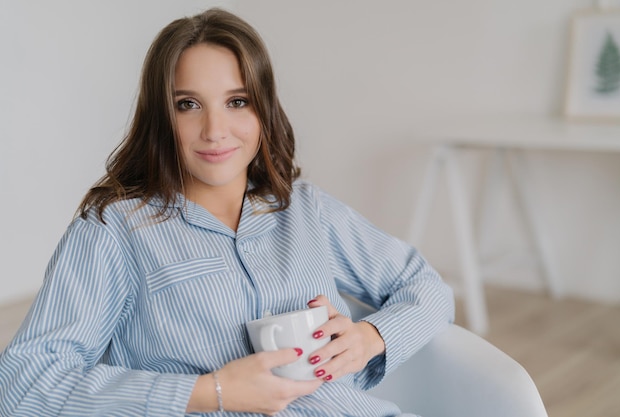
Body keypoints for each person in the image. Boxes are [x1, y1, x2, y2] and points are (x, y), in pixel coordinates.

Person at [0, 8, 454, 417]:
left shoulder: (307, 209)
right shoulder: (115, 231)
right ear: (162, 117)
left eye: (237, 101)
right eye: (188, 105)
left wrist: (370, 338)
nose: (215, 130)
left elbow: (426, 287)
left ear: (263, 111)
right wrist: (209, 391)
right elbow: (22, 384)